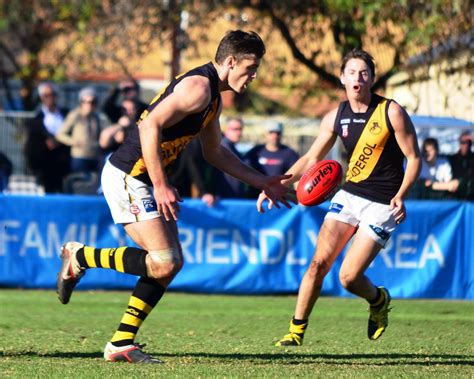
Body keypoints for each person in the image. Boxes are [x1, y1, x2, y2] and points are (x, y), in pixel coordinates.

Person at [56, 30, 293, 363]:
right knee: (165, 260)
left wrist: (261, 181)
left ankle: (121, 342)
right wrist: (161, 183)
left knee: (168, 264)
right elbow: (149, 125)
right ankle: (81, 257)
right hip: (128, 176)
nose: (254, 75)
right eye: (250, 67)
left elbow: (215, 153)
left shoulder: (213, 98)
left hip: (141, 179)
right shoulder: (198, 88)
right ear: (229, 62)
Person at [258, 48, 421, 346]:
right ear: (342, 78)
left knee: (348, 277)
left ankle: (378, 299)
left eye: (364, 73)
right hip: (349, 196)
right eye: (352, 72)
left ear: (371, 78)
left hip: (382, 204)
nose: (358, 78)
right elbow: (311, 157)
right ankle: (295, 332)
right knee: (317, 264)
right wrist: (277, 184)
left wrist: (401, 195)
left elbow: (414, 158)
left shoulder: (391, 111)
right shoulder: (336, 116)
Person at [24, 83, 70, 193]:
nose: (49, 98)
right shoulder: (36, 119)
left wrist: (59, 142)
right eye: (46, 95)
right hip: (46, 164)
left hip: (65, 161)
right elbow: (32, 144)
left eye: (52, 94)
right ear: (41, 97)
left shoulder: (66, 114)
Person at [56, 87, 111, 173]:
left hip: (95, 156)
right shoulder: (75, 115)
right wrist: (74, 142)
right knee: (80, 183)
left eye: (93, 102)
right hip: (79, 157)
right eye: (86, 102)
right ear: (81, 102)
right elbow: (60, 134)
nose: (90, 105)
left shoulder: (96, 116)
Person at [246, 120, 299, 197]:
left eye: (278, 133)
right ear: (265, 134)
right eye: (271, 132)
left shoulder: (289, 153)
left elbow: (297, 175)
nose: (275, 136)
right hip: (255, 198)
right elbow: (243, 170)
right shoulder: (256, 152)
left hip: (279, 197)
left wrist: (299, 198)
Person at [213, 116, 248, 198]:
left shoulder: (233, 147)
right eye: (235, 129)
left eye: (240, 129)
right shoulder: (223, 146)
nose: (239, 133)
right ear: (226, 130)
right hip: (223, 198)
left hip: (233, 197)